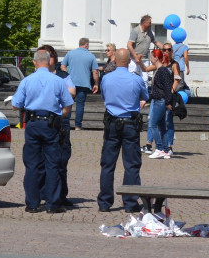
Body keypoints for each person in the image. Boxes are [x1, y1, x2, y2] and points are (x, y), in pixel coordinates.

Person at [10, 48, 74, 214]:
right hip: (51, 124)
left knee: (32, 164)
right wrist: (60, 116)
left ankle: (32, 203)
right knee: (52, 163)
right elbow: (68, 104)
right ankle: (53, 204)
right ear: (49, 61)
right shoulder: (58, 81)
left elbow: (15, 104)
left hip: (32, 123)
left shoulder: (27, 81)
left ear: (35, 62)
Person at [97, 48, 150, 213]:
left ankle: (105, 203)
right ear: (129, 62)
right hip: (130, 123)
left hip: (112, 122)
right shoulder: (136, 79)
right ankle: (130, 202)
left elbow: (104, 97)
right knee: (132, 165)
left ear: (115, 61)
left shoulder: (106, 78)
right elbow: (144, 96)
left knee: (107, 164)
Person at [38, 44, 75, 209]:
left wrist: (56, 88)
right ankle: (43, 193)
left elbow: (72, 92)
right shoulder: (37, 75)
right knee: (40, 160)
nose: (48, 58)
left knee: (61, 158)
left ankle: (61, 194)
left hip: (61, 119)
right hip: (42, 120)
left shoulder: (62, 75)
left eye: (50, 55)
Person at [145, 47, 180, 159]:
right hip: (158, 100)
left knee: (152, 124)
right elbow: (157, 89)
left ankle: (159, 148)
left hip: (160, 101)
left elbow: (167, 88)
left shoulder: (162, 71)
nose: (150, 59)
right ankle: (165, 150)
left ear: (156, 58)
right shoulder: (160, 70)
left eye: (151, 57)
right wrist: (146, 100)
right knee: (161, 126)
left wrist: (168, 102)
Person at [62, 38, 100, 130]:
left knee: (68, 103)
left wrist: (67, 76)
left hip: (70, 83)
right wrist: (96, 84)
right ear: (86, 45)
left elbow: (62, 66)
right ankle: (78, 126)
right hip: (84, 84)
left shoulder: (70, 53)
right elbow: (95, 72)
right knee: (80, 104)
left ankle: (65, 123)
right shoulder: (91, 56)